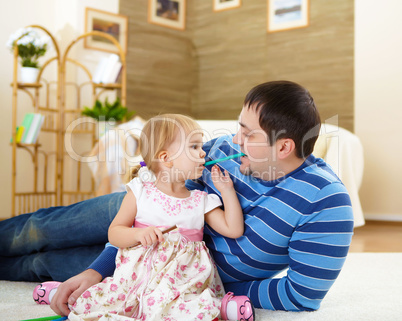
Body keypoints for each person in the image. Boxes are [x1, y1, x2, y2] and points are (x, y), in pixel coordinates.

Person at [0, 81, 354, 316]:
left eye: (248, 133)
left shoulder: (325, 204)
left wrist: (213, 288)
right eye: (238, 126)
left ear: (284, 146)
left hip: (167, 276)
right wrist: (100, 268)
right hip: (136, 220)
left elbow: (301, 295)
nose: (234, 138)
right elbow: (161, 186)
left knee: (39, 266)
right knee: (36, 230)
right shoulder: (226, 150)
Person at [62, 113, 253, 320]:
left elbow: (234, 229)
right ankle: (62, 293)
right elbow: (115, 233)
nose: (203, 154)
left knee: (182, 308)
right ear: (166, 159)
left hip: (180, 283)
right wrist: (139, 234)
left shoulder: (201, 200)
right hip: (136, 280)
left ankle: (224, 307)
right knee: (105, 301)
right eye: (194, 147)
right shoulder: (139, 192)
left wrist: (227, 191)